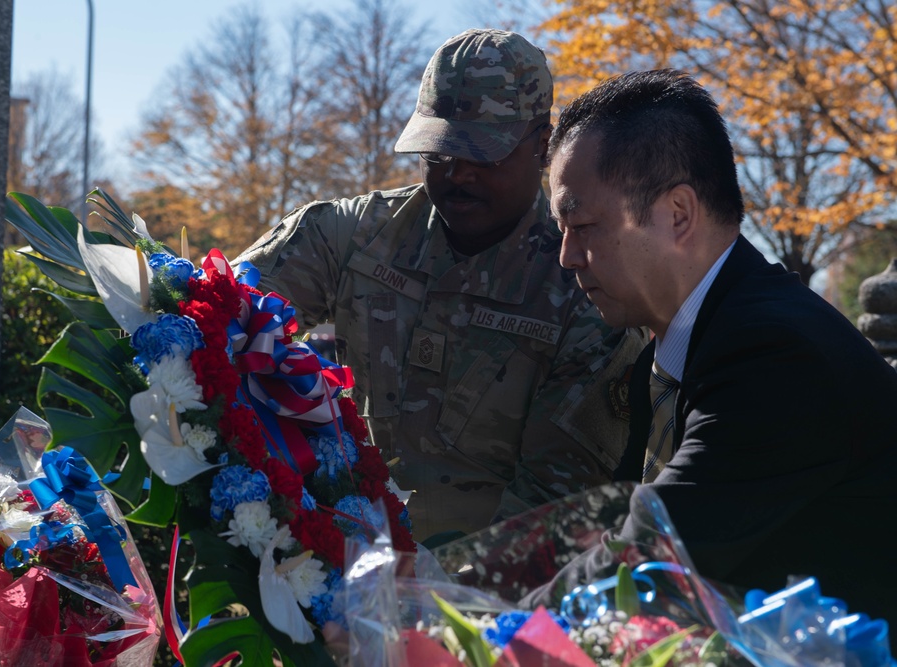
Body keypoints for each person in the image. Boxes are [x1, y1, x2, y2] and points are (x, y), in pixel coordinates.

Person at [232, 29, 646, 542]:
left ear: (543, 145)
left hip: (477, 601)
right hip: (320, 559)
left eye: (483, 155)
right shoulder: (355, 234)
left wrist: (431, 600)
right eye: (439, 152)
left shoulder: (584, 291)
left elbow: (554, 512)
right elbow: (217, 320)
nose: (457, 174)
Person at [533, 68, 897, 632]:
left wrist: (481, 627)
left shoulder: (776, 356)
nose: (567, 256)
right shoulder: (681, 344)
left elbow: (651, 561)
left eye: (581, 224)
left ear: (678, 214)